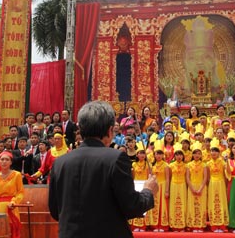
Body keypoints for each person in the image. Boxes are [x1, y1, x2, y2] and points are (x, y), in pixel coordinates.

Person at [49, 101, 158, 238]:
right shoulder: (116, 158)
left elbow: (54, 210)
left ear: (80, 129)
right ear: (110, 130)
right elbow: (132, 207)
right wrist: (148, 191)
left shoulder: (60, 163)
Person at [186, 141, 208, 232]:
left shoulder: (204, 165)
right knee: (192, 206)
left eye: (199, 153)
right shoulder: (188, 165)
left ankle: (200, 225)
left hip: (201, 187)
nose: (197, 155)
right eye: (195, 153)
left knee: (201, 206)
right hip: (191, 187)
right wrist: (192, 188)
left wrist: (200, 189)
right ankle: (193, 225)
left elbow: (205, 178)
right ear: (192, 154)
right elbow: (187, 178)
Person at [146, 149, 170, 232]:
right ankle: (154, 225)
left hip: (162, 186)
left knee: (162, 205)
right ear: (154, 155)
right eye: (157, 154)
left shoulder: (166, 165)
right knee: (154, 205)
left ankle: (162, 225)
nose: (159, 156)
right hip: (154, 186)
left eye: (160, 154)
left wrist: (167, 190)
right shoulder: (152, 166)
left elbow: (167, 179)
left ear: (163, 155)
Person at [207, 143, 229, 233]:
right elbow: (207, 177)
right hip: (212, 184)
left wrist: (227, 161)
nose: (214, 152)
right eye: (212, 151)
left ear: (219, 153)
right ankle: (214, 225)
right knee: (213, 203)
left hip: (221, 184)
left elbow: (227, 173)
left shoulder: (222, 162)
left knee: (221, 202)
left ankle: (222, 225)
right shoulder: (208, 163)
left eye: (216, 151)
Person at [169, 147, 187, 231]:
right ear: (174, 156)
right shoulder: (171, 165)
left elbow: (187, 178)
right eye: (177, 154)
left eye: (180, 154)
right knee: (173, 204)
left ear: (183, 156)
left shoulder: (187, 166)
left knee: (183, 204)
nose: (179, 156)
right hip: (173, 185)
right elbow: (168, 178)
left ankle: (182, 225)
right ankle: (174, 225)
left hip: (183, 186)